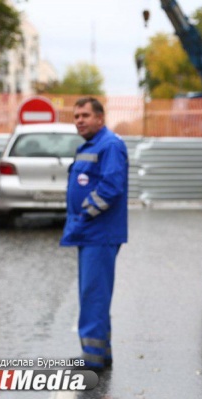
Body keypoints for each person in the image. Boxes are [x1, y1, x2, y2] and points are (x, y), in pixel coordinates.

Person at [60, 97, 128, 372]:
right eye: (76, 116)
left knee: (93, 295)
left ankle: (92, 359)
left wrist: (83, 214)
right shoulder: (92, 145)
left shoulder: (109, 145)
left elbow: (111, 188)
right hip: (90, 233)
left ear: (100, 118)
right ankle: (100, 352)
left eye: (85, 115)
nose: (79, 120)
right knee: (93, 294)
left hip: (98, 233)